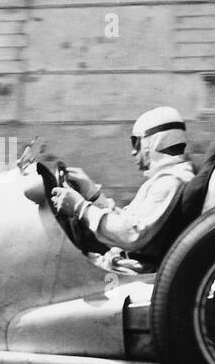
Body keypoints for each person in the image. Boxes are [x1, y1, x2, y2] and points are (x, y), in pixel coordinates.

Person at [50, 106, 195, 257]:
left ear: (152, 142)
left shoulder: (170, 182)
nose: (133, 152)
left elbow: (132, 234)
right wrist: (92, 194)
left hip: (137, 268)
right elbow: (128, 221)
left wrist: (80, 207)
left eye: (136, 142)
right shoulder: (168, 178)